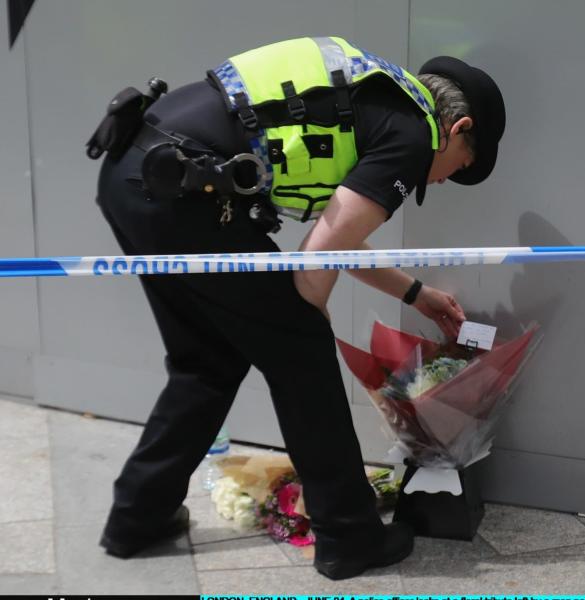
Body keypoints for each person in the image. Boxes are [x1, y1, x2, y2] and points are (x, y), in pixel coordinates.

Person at [86, 36, 505, 580]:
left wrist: (415, 293)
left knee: (206, 361)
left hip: (135, 174)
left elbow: (338, 234)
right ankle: (350, 537)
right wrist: (304, 325)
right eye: (458, 165)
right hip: (185, 191)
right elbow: (323, 251)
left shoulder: (378, 98)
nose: (444, 178)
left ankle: (137, 516)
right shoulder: (411, 134)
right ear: (459, 128)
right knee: (302, 353)